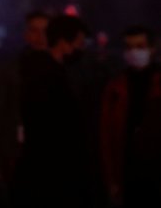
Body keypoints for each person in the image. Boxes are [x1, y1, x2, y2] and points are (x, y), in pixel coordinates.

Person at [11, 13, 91, 207]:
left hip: (48, 168)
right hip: (50, 171)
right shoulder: (46, 75)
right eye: (78, 43)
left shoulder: (54, 71)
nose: (82, 49)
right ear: (63, 43)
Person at [99, 25, 161, 207]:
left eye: (140, 46)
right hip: (128, 172)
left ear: (151, 49)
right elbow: (106, 136)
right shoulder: (115, 88)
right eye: (129, 47)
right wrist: (111, 179)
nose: (134, 52)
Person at [0, 10, 49, 185]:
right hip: (18, 152)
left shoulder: (64, 69)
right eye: (34, 30)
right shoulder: (13, 70)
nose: (40, 37)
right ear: (26, 34)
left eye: (44, 31)